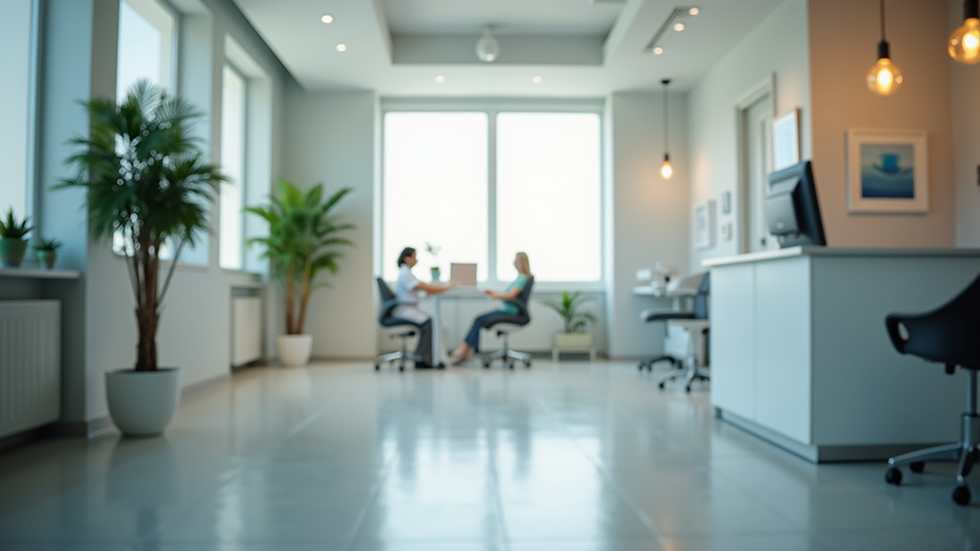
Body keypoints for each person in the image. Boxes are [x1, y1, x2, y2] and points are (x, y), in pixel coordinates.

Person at [450, 252, 532, 365]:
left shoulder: (522, 278)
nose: (513, 263)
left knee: (479, 319)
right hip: (506, 310)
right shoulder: (520, 278)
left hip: (510, 312)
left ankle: (465, 349)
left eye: (515, 261)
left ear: (521, 262)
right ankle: (468, 352)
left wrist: (495, 296)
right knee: (479, 319)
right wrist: (494, 293)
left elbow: (510, 295)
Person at [393, 247, 454, 368]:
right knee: (430, 323)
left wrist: (441, 288)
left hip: (409, 308)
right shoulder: (405, 273)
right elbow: (422, 286)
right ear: (407, 258)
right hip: (405, 309)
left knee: (432, 321)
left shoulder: (407, 273)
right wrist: (446, 288)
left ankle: (424, 357)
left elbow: (423, 288)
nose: (417, 260)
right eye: (414, 257)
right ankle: (423, 359)